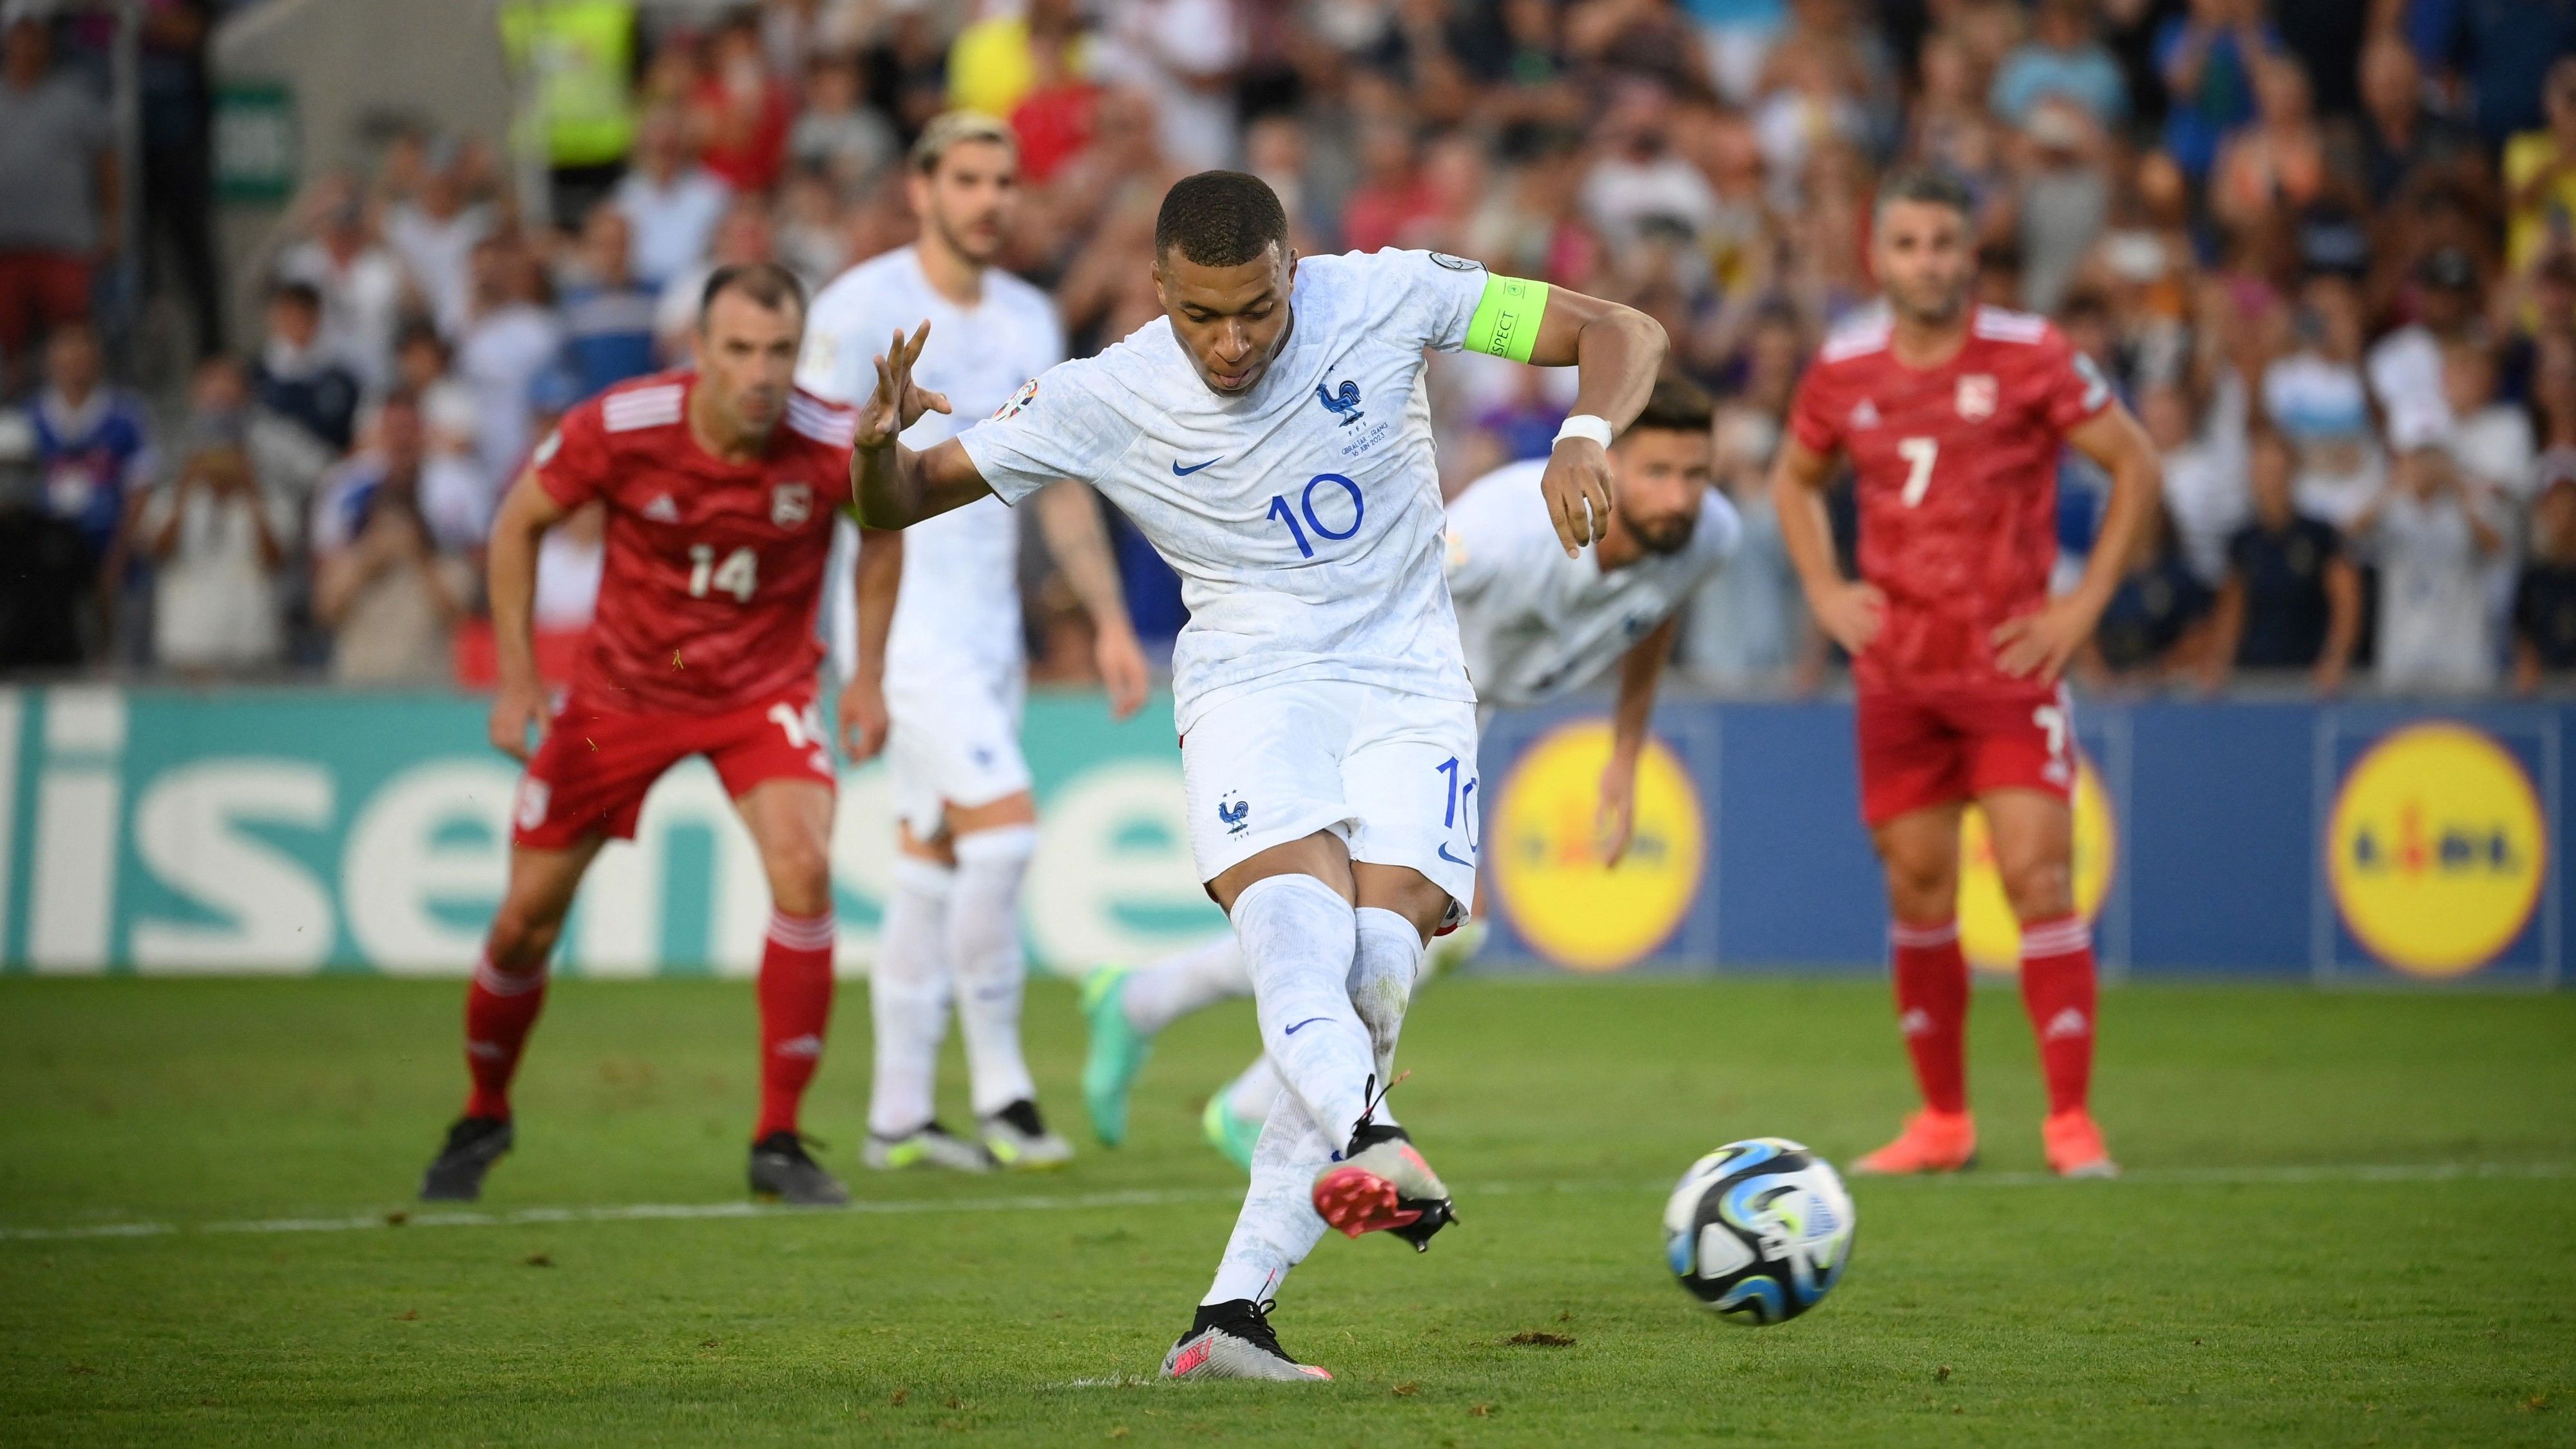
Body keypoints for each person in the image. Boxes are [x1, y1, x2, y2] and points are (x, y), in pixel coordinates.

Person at [849, 171, 1665, 1379]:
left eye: (1256, 310)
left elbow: (1618, 330)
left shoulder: (1384, 296)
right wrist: (874, 448)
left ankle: (1230, 1319)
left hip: (1410, 681)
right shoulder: (1103, 393)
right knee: (1295, 925)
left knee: (1378, 973)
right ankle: (1366, 1136)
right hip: (1252, 681)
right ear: (1156, 291)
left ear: (1293, 271)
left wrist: (1581, 433)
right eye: (1200, 316)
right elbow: (900, 501)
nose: (1231, 343)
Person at [1078, 378, 1741, 1166]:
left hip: (1460, 710)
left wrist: (1626, 753)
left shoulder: (1707, 535)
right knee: (1424, 919)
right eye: (1657, 473)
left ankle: (1148, 1004)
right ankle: (1252, 1101)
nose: (1680, 497)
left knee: (1408, 925)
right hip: (1384, 697)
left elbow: (1656, 606)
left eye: (1696, 475)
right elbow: (1376, 582)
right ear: (1605, 463)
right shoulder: (1503, 531)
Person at [415, 262, 897, 1209]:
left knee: (804, 869)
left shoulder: (829, 438)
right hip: (622, 696)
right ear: (698, 350)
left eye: (780, 351)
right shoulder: (622, 424)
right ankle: (483, 1110)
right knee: (524, 922)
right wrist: (518, 679)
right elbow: (517, 524)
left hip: (761, 688)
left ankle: (778, 1137)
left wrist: (868, 673)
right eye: (739, 350)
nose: (761, 373)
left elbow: (883, 531)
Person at [1769, 168, 2161, 1181]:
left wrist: (2080, 604)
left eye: (1943, 244)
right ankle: (1941, 1119)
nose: (1926, 263)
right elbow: (1793, 478)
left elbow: (2134, 463)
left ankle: (2068, 1122)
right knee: (1916, 886)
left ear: (1969, 254)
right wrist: (1823, 588)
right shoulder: (1842, 366)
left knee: (2037, 875)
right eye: (1906, 244)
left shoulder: (2031, 355)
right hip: (1898, 673)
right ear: (1876, 255)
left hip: (2006, 662)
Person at [799, 113, 1149, 1172]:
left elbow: (1055, 478)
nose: (990, 199)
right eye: (967, 179)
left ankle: (897, 1114)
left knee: (934, 856)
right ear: (920, 190)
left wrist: (1107, 619)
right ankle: (1004, 1093)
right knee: (1001, 833)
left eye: (1003, 181)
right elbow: (806, 475)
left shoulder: (1028, 315)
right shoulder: (855, 308)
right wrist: (849, 662)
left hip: (989, 628)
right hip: (898, 624)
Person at [2200, 428, 2360, 694]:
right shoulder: (2243, 542)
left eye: (2275, 472)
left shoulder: (2319, 536)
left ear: (2291, 473)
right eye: (2261, 472)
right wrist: (2219, 660)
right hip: (2254, 674)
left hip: (2309, 677)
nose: (2269, 482)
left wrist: (2336, 657)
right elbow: (2232, 608)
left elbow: (2346, 601)